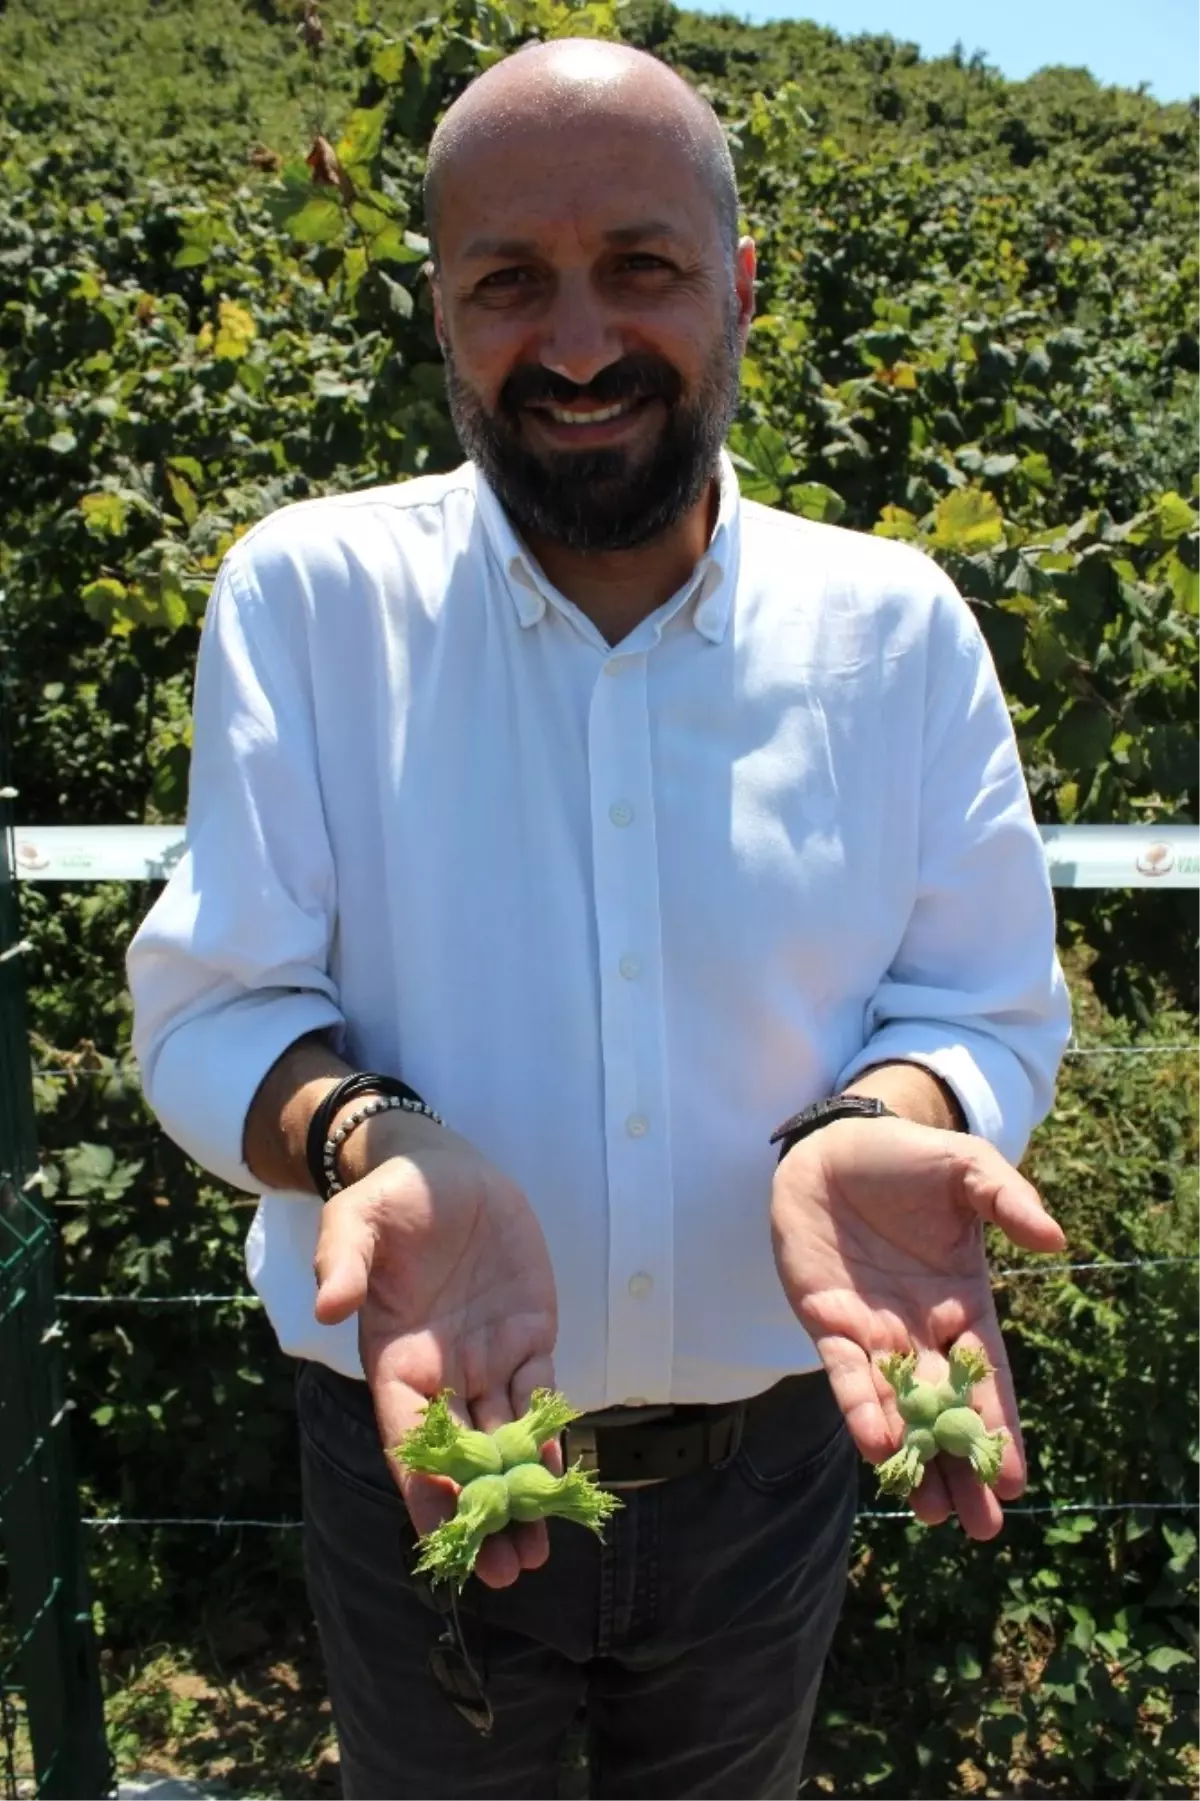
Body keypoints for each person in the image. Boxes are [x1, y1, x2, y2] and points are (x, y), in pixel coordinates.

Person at [126, 35, 1073, 1801]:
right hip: (414, 1437)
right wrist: (367, 1136)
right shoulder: (312, 598)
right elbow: (210, 1012)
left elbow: (982, 1002)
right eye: (510, 282)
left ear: (739, 285)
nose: (574, 344)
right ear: (439, 310)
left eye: (638, 266)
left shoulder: (896, 628)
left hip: (774, 1464)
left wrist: (882, 1121)